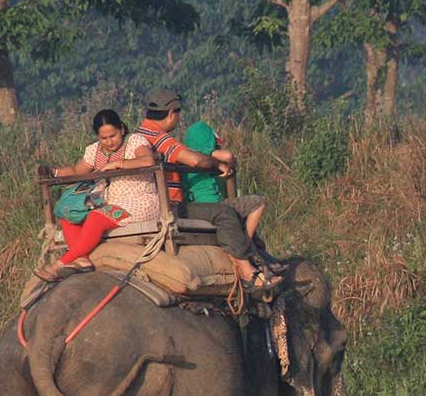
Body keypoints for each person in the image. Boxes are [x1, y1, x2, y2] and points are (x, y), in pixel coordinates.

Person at [135, 89, 276, 288]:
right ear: (172, 114)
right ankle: (246, 269)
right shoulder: (159, 138)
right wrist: (217, 165)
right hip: (168, 206)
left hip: (144, 204)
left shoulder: (136, 135)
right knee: (225, 212)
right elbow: (195, 160)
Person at [38, 109, 159, 281]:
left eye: (113, 135)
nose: (109, 142)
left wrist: (119, 164)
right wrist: (54, 171)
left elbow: (148, 160)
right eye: (104, 138)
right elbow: (76, 171)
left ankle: (61, 263)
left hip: (137, 202)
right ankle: (82, 259)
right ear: (97, 136)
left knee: (96, 217)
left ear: (122, 130)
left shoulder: (135, 142)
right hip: (104, 200)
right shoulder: (94, 150)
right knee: (68, 213)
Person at [180, 121, 277, 270]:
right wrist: (221, 161)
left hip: (196, 206)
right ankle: (246, 244)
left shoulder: (185, 157)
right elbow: (228, 155)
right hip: (215, 205)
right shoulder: (206, 156)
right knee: (258, 202)